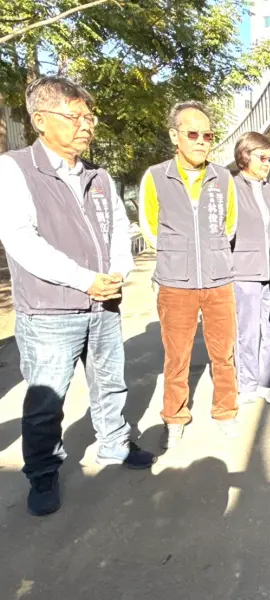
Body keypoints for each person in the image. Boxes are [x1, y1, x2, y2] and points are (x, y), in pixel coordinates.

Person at [0, 76, 155, 516]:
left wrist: (119, 273)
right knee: (47, 399)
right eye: (76, 115)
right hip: (51, 312)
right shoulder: (15, 169)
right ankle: (43, 473)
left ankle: (115, 444)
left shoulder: (98, 176)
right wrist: (83, 278)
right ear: (41, 120)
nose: (86, 124)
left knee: (110, 384)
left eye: (90, 116)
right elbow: (19, 239)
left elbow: (120, 234)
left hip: (103, 305)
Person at [139, 101, 239, 448]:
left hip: (218, 280)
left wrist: (208, 255)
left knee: (223, 353)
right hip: (175, 283)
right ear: (175, 136)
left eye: (207, 135)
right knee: (177, 355)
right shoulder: (155, 176)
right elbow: (150, 228)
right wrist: (178, 256)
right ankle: (176, 415)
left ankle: (225, 410)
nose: (201, 141)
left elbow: (229, 226)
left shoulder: (223, 177)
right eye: (192, 133)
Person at [230, 132, 270, 405]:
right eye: (261, 157)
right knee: (247, 330)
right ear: (244, 155)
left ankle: (269, 380)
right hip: (244, 271)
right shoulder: (230, 188)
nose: (267, 163)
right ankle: (247, 382)